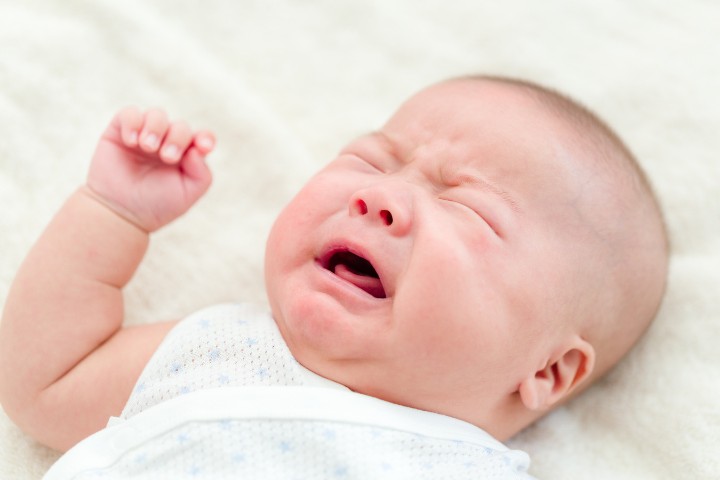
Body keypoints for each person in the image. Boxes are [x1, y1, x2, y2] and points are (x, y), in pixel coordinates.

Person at [0, 76, 668, 478]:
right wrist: (113, 213)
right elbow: (44, 384)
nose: (381, 198)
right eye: (372, 160)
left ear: (548, 371)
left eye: (466, 206)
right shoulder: (219, 351)